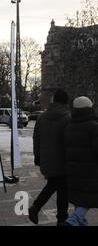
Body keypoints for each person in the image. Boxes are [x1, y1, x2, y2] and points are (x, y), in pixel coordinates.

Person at [29, 89, 70, 225]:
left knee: (58, 187)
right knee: (59, 187)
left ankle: (60, 218)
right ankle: (37, 209)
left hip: (46, 160)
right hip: (63, 161)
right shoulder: (68, 118)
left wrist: (37, 156)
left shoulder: (42, 117)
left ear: (53, 100)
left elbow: (36, 138)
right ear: (66, 101)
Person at [63, 96, 98, 226]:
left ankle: (79, 220)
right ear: (89, 108)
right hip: (90, 172)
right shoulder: (93, 126)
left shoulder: (69, 125)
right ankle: (72, 221)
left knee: (81, 199)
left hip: (73, 171)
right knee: (87, 200)